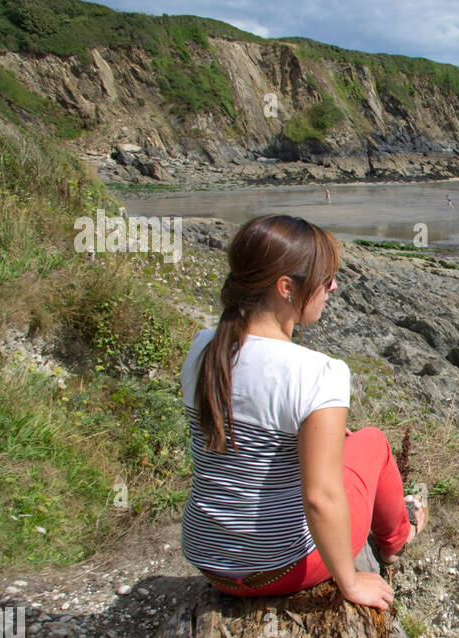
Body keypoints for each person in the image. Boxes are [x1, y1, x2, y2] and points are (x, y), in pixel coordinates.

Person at [179, 214, 426, 609]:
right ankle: (398, 538)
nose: (333, 286)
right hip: (280, 568)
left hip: (208, 560)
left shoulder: (203, 348)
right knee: (374, 443)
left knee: (346, 446)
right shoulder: (318, 373)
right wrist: (350, 582)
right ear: (286, 287)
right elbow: (320, 499)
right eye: (325, 278)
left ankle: (397, 533)